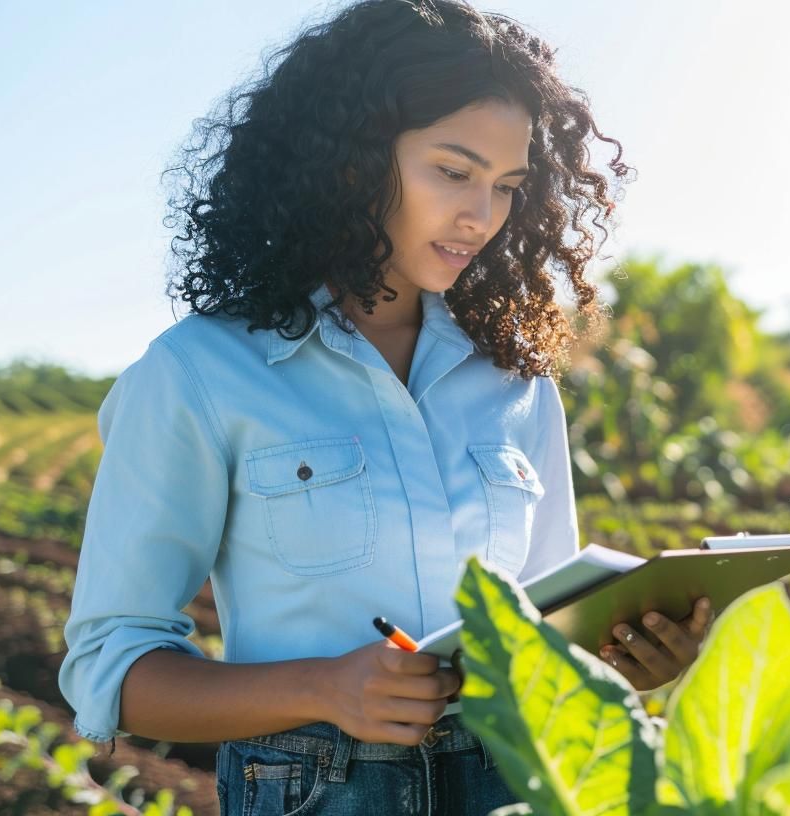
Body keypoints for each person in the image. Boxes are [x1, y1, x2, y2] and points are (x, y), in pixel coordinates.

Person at [58, 1, 714, 813]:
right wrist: (327, 688)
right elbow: (112, 670)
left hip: (516, 782)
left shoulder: (517, 383)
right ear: (352, 160)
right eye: (453, 170)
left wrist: (619, 660)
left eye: (507, 186)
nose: (482, 216)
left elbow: (546, 632)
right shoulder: (199, 373)